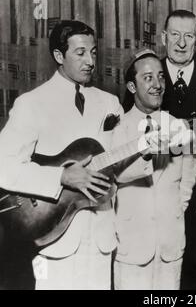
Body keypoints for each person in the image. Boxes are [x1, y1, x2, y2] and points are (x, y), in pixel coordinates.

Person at [0, 20, 159, 290]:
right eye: (81, 52)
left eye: (94, 52)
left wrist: (145, 152)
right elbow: (4, 165)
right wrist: (61, 176)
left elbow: (115, 171)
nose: (90, 61)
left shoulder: (109, 103)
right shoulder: (31, 104)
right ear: (59, 56)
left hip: (101, 239)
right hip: (54, 239)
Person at [113, 48, 196, 290]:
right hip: (131, 244)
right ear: (132, 87)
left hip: (169, 244)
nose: (158, 85)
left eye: (161, 77)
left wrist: (174, 212)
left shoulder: (180, 128)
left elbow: (187, 181)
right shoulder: (116, 128)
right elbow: (113, 179)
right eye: (148, 78)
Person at [160, 9, 196, 289]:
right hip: (158, 189)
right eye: (175, 35)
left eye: (188, 36)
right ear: (163, 37)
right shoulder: (146, 72)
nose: (181, 43)